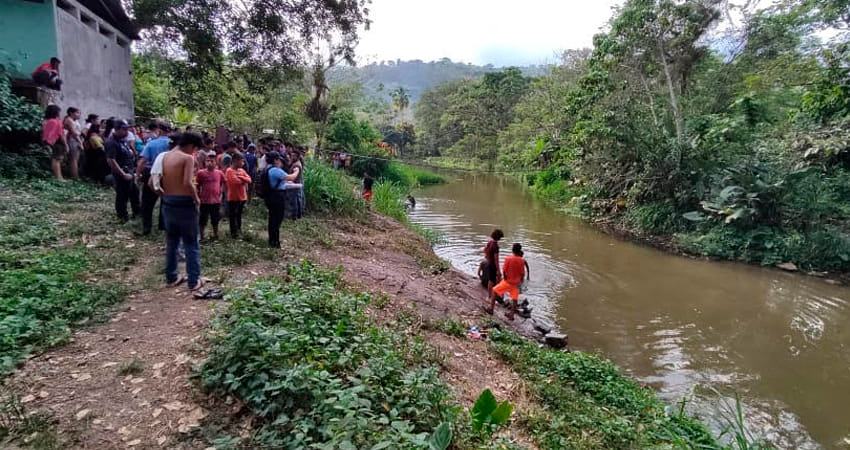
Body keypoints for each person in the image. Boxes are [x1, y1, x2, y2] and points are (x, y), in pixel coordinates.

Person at [160, 131, 204, 290]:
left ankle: (171, 277)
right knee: (191, 243)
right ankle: (194, 280)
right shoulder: (187, 158)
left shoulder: (166, 155)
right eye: (195, 149)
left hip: (168, 201)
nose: (195, 152)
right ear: (192, 146)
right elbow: (187, 182)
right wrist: (196, 198)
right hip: (184, 203)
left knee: (172, 242)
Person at [136, 121, 172, 235]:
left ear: (159, 130)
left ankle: (147, 227)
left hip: (151, 173)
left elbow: (142, 161)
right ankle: (163, 225)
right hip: (168, 174)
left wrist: (137, 174)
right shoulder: (173, 145)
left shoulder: (151, 144)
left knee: (147, 202)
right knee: (165, 200)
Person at [262, 152, 302, 248]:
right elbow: (291, 177)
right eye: (278, 159)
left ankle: (272, 240)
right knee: (277, 220)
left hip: (270, 196)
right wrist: (296, 170)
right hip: (277, 197)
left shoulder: (267, 169)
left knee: (272, 219)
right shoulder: (275, 170)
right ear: (275, 160)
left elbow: (282, 180)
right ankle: (275, 243)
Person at [105, 120, 140, 222]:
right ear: (117, 129)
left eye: (127, 129)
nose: (127, 132)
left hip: (129, 171)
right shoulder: (111, 142)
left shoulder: (122, 141)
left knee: (134, 193)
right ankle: (122, 216)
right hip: (121, 173)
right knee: (122, 195)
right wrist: (123, 173)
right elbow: (111, 160)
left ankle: (137, 213)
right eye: (124, 129)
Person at [487, 243, 530, 320]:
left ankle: (491, 309)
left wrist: (505, 278)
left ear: (512, 250)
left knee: (494, 290)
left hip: (508, 282)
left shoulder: (508, 259)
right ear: (519, 250)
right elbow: (522, 273)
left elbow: (504, 270)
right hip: (516, 283)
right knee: (514, 299)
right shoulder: (522, 260)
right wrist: (521, 281)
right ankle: (512, 315)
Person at [196, 153, 224, 240]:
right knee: (203, 219)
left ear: (215, 163)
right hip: (204, 200)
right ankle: (202, 236)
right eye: (207, 161)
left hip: (216, 201)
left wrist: (221, 193)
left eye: (212, 161)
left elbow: (224, 183)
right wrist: (197, 196)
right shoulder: (200, 173)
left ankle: (216, 235)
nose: (209, 163)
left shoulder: (219, 173)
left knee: (215, 219)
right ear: (205, 162)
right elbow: (197, 185)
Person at [224, 152, 251, 238]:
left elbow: (249, 179)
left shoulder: (241, 170)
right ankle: (234, 233)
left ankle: (239, 230)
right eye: (241, 161)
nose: (243, 163)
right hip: (233, 197)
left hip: (242, 197)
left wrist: (242, 178)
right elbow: (235, 182)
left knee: (239, 215)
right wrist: (243, 180)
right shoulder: (229, 171)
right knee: (233, 216)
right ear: (235, 161)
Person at [42, 105, 67, 180]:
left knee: (55, 159)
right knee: (57, 160)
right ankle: (59, 177)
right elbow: (61, 134)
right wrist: (66, 144)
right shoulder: (56, 121)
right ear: (56, 112)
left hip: (50, 142)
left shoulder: (46, 121)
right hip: (58, 142)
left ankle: (58, 177)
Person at [482, 229, 504, 296]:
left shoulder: (490, 242)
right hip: (493, 265)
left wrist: (487, 257)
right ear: (498, 237)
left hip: (489, 263)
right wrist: (498, 270)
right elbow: (496, 259)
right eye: (500, 237)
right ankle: (491, 296)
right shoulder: (496, 246)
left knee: (491, 280)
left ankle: (492, 295)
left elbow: (485, 249)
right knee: (492, 281)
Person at [63, 107, 83, 179]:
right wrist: (80, 142)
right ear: (71, 113)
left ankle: (71, 174)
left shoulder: (73, 120)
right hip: (73, 140)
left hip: (75, 140)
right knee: (73, 159)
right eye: (77, 113)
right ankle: (75, 176)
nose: (79, 115)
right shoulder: (69, 120)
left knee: (75, 159)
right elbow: (74, 133)